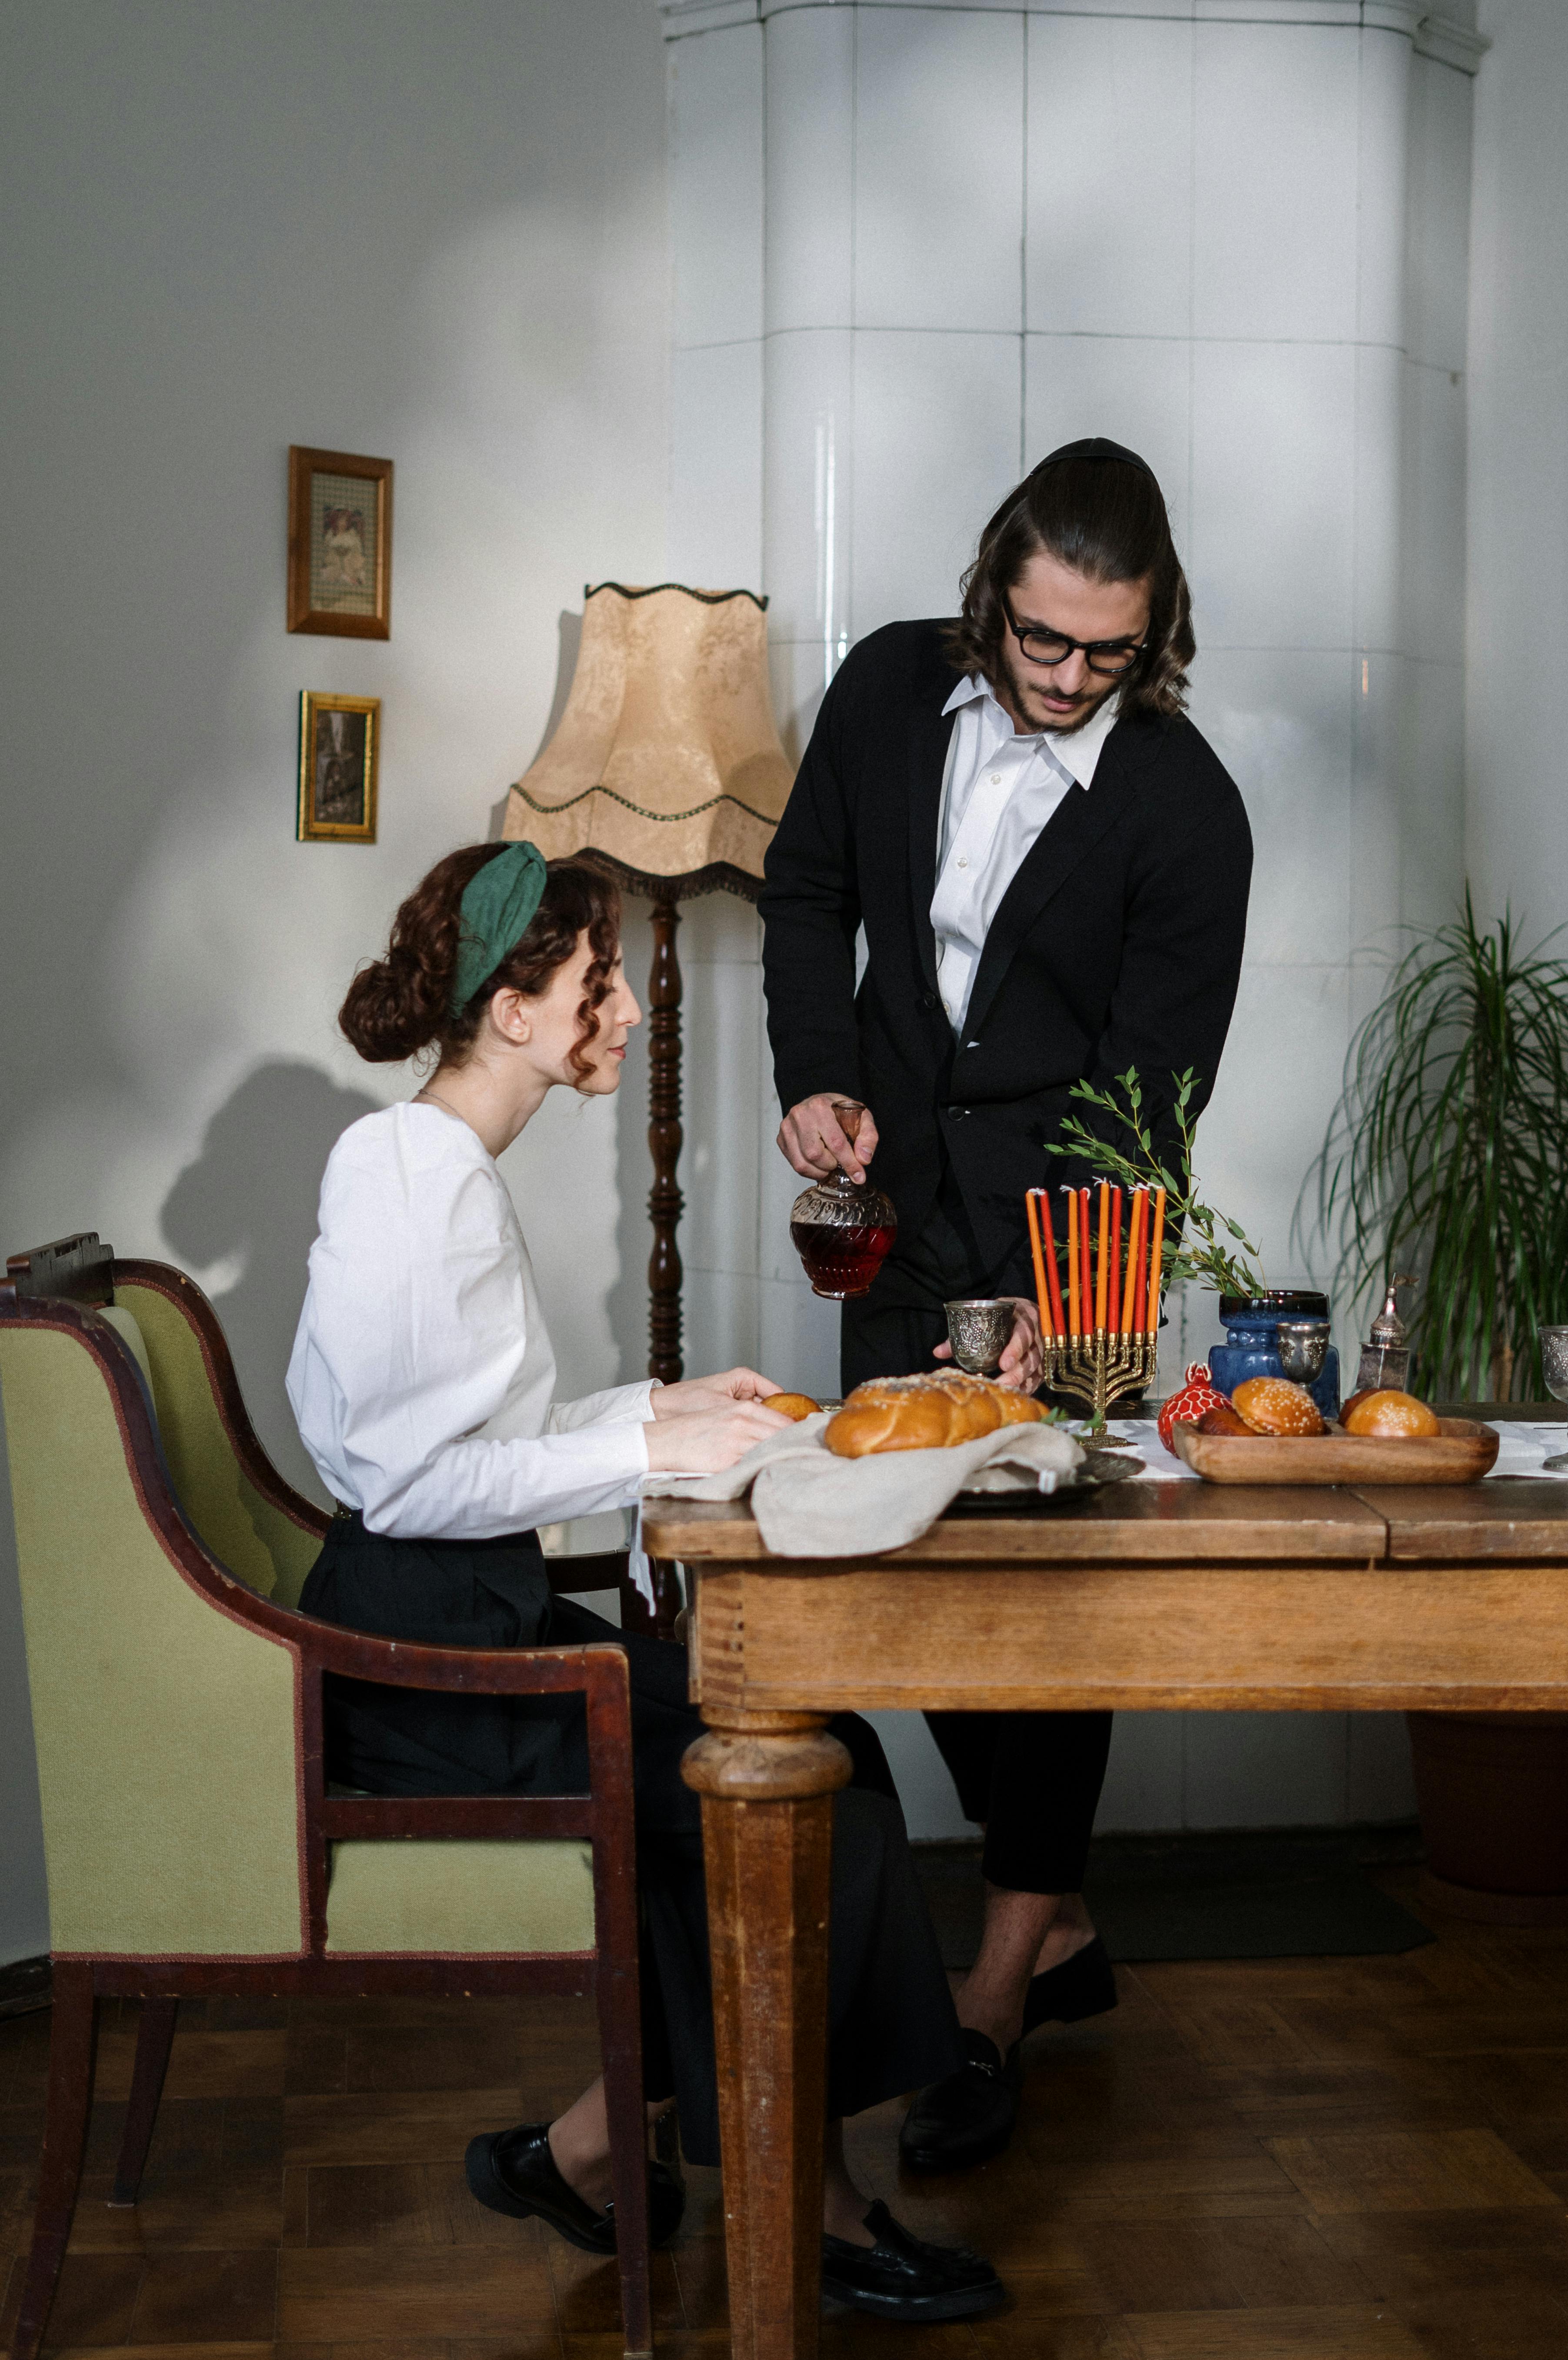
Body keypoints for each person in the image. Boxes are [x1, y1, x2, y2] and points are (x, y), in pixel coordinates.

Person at [286, 838, 1003, 2327]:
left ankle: (595, 2149)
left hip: (465, 1620)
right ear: (513, 1010)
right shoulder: (410, 1179)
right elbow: (407, 1482)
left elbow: (468, 1440)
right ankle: (807, 2205)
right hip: (431, 1671)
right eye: (598, 984)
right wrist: (635, 1460)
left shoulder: (436, 1167)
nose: (620, 1013)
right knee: (784, 1788)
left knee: (813, 1746)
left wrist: (666, 1410)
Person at [761, 438, 1253, 2172]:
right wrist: (815, 1074)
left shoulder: (1189, 810)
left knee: (1047, 1623)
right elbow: (812, 895)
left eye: (1102, 653)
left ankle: (993, 1983)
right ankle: (1059, 1923)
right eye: (1040, 641)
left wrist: (1073, 1303)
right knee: (900, 1572)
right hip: (894, 1222)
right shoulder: (891, 688)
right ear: (995, 595)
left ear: (1155, 631)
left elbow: (1152, 1095)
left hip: (1070, 1252)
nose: (1062, 680)